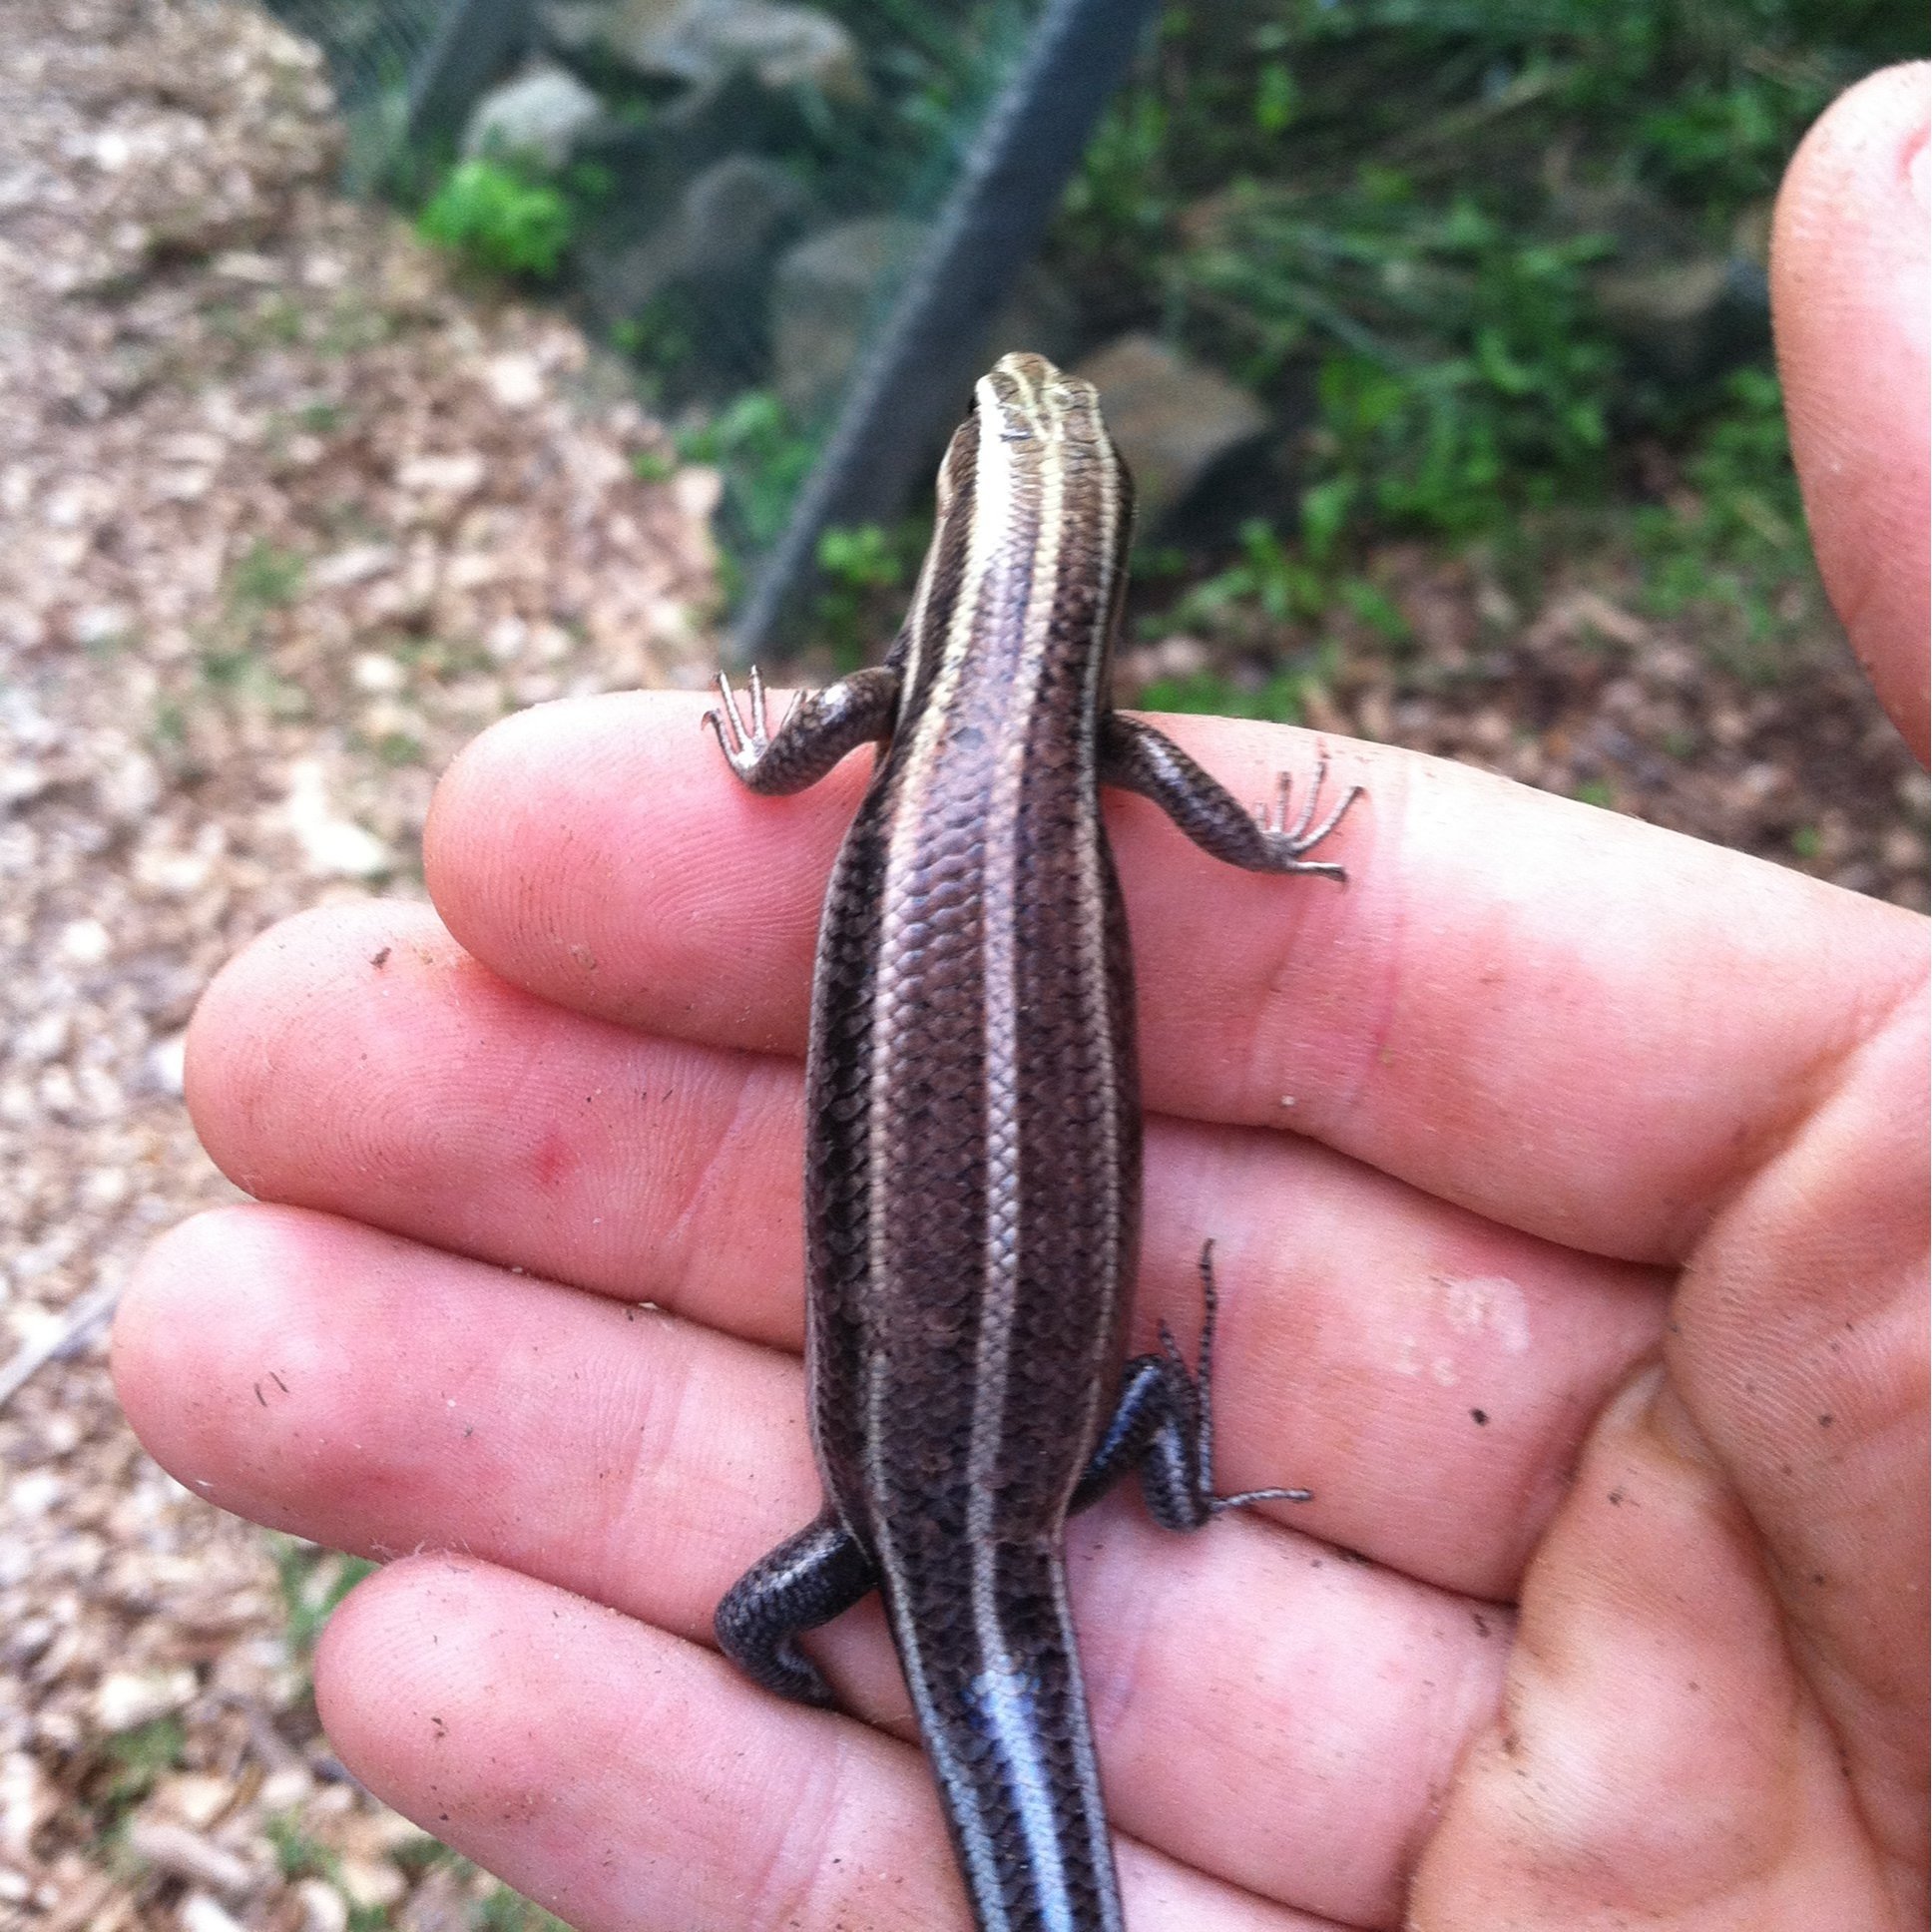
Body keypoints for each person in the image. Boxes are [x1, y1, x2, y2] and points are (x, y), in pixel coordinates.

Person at [115, 64, 1926, 1932]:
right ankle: (1153, 1482)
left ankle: (1086, 1516)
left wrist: (756, 745)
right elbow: (1211, 823)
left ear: (955, 523)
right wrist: (1277, 855)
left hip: (998, 1479)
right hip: (1004, 1471)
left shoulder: (909, 709)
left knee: (810, 1597)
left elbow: (771, 768)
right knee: (926, 1580)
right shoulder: (1102, 740)